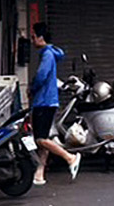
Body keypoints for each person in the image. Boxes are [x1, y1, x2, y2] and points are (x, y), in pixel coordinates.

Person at [29, 23, 80, 186]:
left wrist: (32, 88)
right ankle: (40, 173)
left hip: (43, 101)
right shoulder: (50, 54)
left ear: (40, 37)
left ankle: (70, 158)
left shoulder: (47, 55)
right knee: (44, 138)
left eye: (33, 37)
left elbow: (41, 76)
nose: (32, 40)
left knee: (40, 139)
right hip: (49, 101)